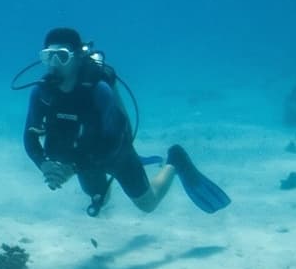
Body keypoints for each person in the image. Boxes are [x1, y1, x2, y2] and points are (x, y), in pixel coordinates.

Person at [20, 27, 229, 214]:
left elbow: (116, 140)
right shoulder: (41, 93)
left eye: (62, 56)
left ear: (77, 59)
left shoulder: (98, 91)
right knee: (102, 199)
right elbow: (29, 137)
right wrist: (43, 164)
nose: (54, 64)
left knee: (148, 205)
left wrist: (73, 167)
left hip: (116, 154)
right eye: (48, 56)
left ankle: (175, 160)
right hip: (82, 158)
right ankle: (101, 189)